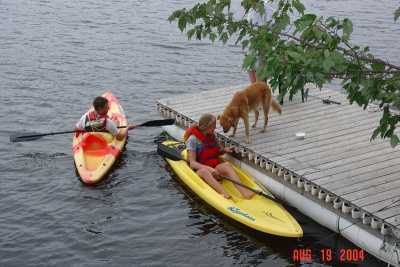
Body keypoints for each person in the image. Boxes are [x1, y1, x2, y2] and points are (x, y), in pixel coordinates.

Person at [183, 113, 254, 199]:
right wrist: (210, 169)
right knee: (204, 172)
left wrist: (225, 150)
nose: (215, 128)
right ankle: (225, 194)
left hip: (214, 169)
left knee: (226, 165)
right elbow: (192, 163)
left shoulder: (212, 135)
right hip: (200, 172)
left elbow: (216, 151)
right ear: (207, 126)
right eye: (214, 125)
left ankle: (244, 192)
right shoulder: (193, 140)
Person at [246, 0, 274, 83]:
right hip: (252, 42)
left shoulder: (265, 8)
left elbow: (271, 26)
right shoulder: (251, 8)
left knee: (260, 68)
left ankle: (261, 93)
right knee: (250, 67)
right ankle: (254, 91)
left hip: (263, 43)